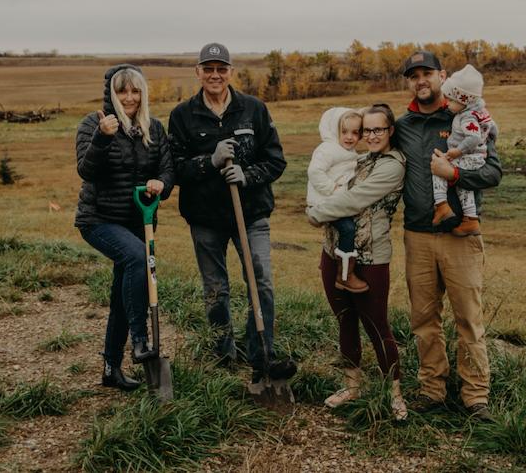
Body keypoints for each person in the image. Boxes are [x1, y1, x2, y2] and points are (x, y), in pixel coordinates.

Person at [167, 42, 295, 384]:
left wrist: (247, 175)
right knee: (215, 289)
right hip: (205, 217)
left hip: (251, 213)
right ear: (197, 72)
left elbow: (276, 159)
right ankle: (223, 355)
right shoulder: (182, 115)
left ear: (230, 73)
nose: (214, 75)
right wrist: (209, 162)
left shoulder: (253, 109)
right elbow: (176, 169)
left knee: (261, 280)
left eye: (221, 69)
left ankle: (261, 355)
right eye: (208, 68)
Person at [393, 50, 502, 420]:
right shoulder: (403, 125)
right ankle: (432, 390)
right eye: (413, 75)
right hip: (417, 236)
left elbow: (493, 173)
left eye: (427, 73)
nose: (420, 80)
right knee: (424, 319)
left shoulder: (464, 116)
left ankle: (475, 398)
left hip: (459, 236)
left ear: (443, 75)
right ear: (409, 82)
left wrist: (454, 176)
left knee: (468, 318)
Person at [74, 64, 175, 391]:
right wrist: (103, 138)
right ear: (111, 94)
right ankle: (140, 339)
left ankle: (110, 369)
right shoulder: (93, 124)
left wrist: (161, 183)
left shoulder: (154, 128)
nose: (129, 97)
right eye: (122, 91)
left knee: (124, 293)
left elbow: (167, 169)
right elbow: (86, 171)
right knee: (136, 260)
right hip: (99, 219)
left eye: (135, 91)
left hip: (138, 221)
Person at [307, 104, 408, 421]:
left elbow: (355, 198)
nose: (371, 135)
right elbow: (329, 180)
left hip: (371, 258)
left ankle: (394, 394)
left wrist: (316, 213)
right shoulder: (359, 159)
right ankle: (352, 385)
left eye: (379, 129)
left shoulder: (393, 166)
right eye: (367, 130)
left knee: (377, 325)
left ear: (390, 131)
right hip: (334, 252)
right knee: (345, 318)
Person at [431, 64, 499, 237]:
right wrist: (490, 137)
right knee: (464, 185)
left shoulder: (467, 116)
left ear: (464, 100)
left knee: (439, 168)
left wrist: (457, 151)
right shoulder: (480, 112)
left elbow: (474, 137)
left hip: (468, 156)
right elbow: (493, 128)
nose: (447, 104)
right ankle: (470, 218)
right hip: (476, 158)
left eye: (451, 100)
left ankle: (441, 205)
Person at [306, 107, 367, 293]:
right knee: (348, 228)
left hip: (333, 200)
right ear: (335, 130)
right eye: (344, 131)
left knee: (349, 226)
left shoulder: (347, 152)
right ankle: (345, 275)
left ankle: (329, 264)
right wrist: (332, 188)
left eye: (355, 132)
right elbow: (314, 172)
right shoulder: (328, 149)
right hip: (323, 201)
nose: (349, 137)